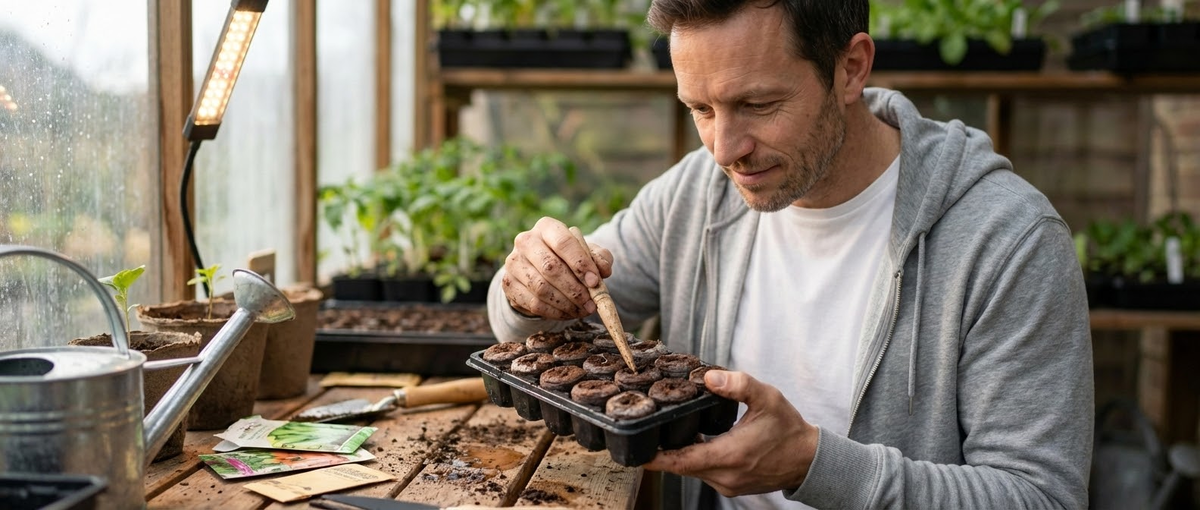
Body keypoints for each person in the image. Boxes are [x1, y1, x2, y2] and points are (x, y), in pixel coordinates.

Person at [486, 0, 1094, 508]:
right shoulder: (695, 196)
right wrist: (529, 292)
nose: (726, 149)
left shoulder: (1007, 240)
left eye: (757, 105)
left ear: (851, 68)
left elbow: (1040, 497)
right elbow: (520, 319)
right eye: (700, 109)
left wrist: (812, 465)